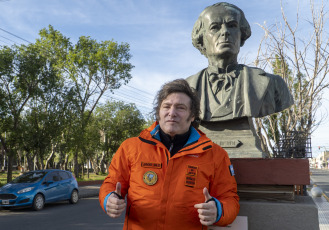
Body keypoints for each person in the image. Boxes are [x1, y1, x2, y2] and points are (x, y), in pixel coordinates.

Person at [99, 79, 239, 229]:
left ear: (192, 116)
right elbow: (111, 184)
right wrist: (109, 199)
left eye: (180, 108)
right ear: (158, 112)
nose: (172, 113)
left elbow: (229, 199)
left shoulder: (214, 154)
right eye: (166, 106)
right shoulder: (131, 147)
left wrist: (217, 210)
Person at [187, 2, 293, 122]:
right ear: (202, 40)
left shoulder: (273, 84)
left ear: (241, 36)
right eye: (215, 27)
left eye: (232, 25)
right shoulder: (186, 88)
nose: (225, 32)